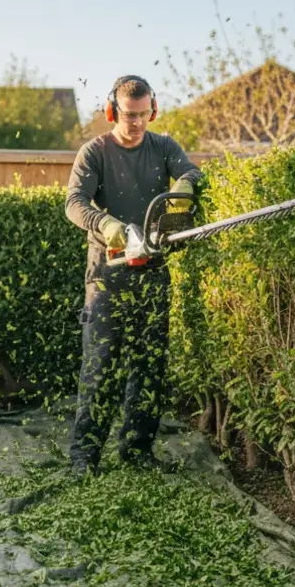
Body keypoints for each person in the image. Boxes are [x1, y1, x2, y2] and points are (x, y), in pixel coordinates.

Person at [63, 74, 203, 478]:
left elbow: (192, 172)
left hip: (153, 271)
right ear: (112, 111)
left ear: (152, 111)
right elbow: (74, 202)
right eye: (129, 114)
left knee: (149, 365)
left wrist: (185, 185)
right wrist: (105, 223)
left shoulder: (163, 147)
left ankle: (137, 449)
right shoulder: (94, 152)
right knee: (100, 364)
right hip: (107, 274)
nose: (137, 122)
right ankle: (85, 456)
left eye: (143, 114)